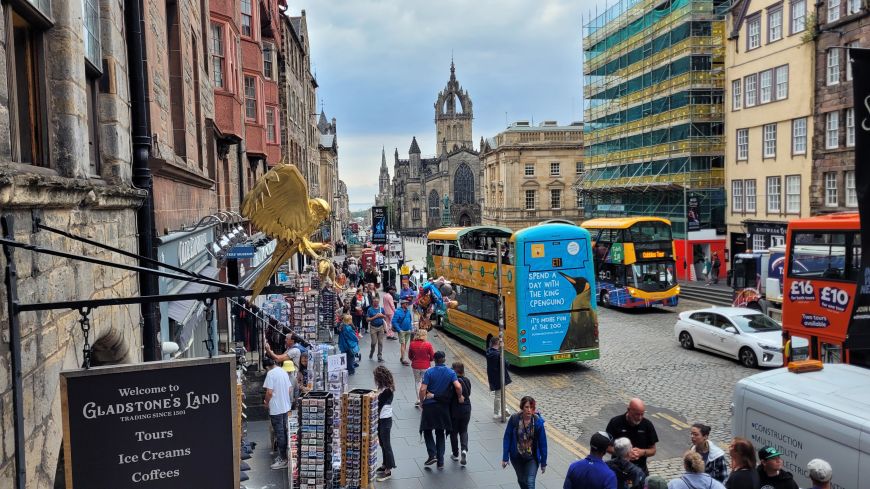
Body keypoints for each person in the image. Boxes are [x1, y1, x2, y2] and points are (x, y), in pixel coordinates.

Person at [419, 351, 464, 469]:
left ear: (434, 360)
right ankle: (441, 462)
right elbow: (458, 386)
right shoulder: (451, 372)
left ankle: (432, 454)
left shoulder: (429, 372)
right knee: (440, 433)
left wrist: (422, 401)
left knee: (427, 430)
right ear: (444, 360)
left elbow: (423, 389)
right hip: (443, 407)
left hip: (429, 406)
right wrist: (460, 397)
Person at [501, 396, 547, 489]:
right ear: (522, 407)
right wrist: (505, 457)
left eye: (531, 407)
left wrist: (543, 462)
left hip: (532, 458)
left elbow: (543, 444)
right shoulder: (514, 419)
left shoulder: (538, 422)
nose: (529, 410)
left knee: (530, 482)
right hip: (517, 457)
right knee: (522, 480)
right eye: (526, 407)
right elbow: (507, 437)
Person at [605, 398, 659, 476]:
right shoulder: (615, 422)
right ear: (628, 410)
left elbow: (653, 450)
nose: (640, 417)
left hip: (640, 470)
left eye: (642, 414)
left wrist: (642, 452)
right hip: (618, 470)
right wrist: (624, 453)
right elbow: (607, 447)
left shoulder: (647, 425)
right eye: (637, 414)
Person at [262, 357, 293, 470]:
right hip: (285, 406)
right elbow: (290, 389)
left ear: (266, 367)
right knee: (284, 432)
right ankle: (283, 456)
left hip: (276, 408)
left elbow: (269, 392)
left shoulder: (270, 374)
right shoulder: (282, 371)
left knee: (279, 433)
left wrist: (266, 402)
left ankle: (283, 459)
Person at [374, 366, 397, 481]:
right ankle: (384, 465)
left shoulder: (387, 390)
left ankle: (388, 470)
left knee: (386, 445)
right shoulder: (382, 387)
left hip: (385, 419)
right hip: (381, 419)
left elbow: (379, 403)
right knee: (382, 443)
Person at [449, 362, 472, 466]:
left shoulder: (453, 382)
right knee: (464, 430)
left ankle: (455, 454)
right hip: (467, 408)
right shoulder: (467, 380)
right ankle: (464, 450)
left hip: (455, 409)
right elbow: (469, 393)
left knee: (453, 431)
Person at [486, 334, 513, 420]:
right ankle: (498, 412)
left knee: (500, 394)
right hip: (499, 377)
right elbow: (507, 364)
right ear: (498, 343)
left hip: (493, 376)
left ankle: (504, 410)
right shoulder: (498, 354)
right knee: (499, 395)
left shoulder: (488, 351)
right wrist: (502, 351)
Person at [408, 329, 435, 407]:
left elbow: (410, 356)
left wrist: (414, 360)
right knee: (426, 382)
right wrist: (428, 360)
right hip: (426, 366)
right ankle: (426, 397)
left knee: (417, 382)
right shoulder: (428, 344)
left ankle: (419, 399)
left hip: (415, 366)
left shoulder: (412, 344)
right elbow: (432, 357)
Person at [392, 297, 414, 365]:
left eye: (407, 303)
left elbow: (410, 320)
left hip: (408, 330)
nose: (407, 304)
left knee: (405, 345)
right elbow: (394, 321)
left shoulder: (408, 311)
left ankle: (402, 357)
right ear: (402, 304)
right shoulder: (398, 311)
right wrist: (399, 330)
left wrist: (411, 328)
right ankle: (403, 359)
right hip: (402, 331)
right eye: (406, 303)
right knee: (403, 344)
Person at [366, 296, 387, 362]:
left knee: (380, 342)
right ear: (373, 302)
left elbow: (385, 317)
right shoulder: (370, 309)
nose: (376, 303)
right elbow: (367, 320)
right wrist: (375, 317)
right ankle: (371, 352)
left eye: (377, 301)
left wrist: (382, 316)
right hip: (373, 328)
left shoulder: (381, 309)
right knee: (374, 342)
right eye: (375, 301)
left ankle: (379, 356)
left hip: (381, 327)